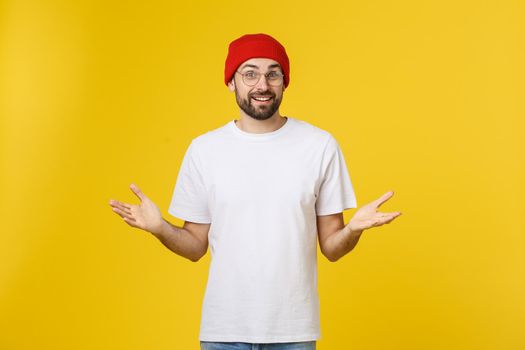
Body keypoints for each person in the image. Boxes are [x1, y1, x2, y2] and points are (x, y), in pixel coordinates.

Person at [109, 33, 402, 350]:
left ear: (284, 82)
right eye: (249, 73)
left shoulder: (319, 146)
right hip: (224, 330)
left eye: (273, 74)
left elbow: (332, 247)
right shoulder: (205, 150)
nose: (262, 85)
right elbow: (194, 247)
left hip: (293, 331)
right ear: (231, 82)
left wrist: (354, 229)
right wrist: (159, 227)